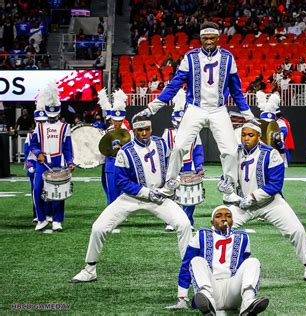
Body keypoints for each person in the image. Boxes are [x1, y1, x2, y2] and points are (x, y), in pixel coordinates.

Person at [136, 22, 256, 202]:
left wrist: (249, 116)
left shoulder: (228, 58)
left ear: (218, 38)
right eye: (205, 38)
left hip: (218, 109)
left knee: (231, 151)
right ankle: (170, 184)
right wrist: (151, 108)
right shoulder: (190, 57)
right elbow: (174, 85)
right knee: (178, 147)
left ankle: (229, 189)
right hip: (195, 108)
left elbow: (236, 91)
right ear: (200, 39)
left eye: (212, 38)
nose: (208, 41)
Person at [70, 116, 193, 283]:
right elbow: (121, 181)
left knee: (184, 224)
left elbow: (172, 166)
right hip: (131, 198)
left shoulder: (161, 144)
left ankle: (188, 270)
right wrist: (146, 193)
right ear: (133, 131)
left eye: (147, 129)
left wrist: (174, 180)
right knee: (98, 227)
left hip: (158, 197)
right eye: (139, 130)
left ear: (151, 129)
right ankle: (89, 270)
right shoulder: (125, 151)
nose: (144, 133)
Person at [222, 122, 306, 282]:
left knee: (297, 231)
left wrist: (252, 197)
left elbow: (275, 185)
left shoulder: (271, 154)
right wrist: (225, 185)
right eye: (244, 135)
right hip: (243, 204)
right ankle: (219, 269)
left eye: (250, 135)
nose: (246, 138)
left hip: (270, 203)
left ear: (259, 136)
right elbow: (228, 178)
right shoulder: (234, 153)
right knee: (219, 227)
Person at [167, 205, 269, 315]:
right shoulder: (201, 235)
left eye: (228, 216)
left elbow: (245, 269)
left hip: (233, 291)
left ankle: (248, 302)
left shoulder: (243, 237)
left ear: (232, 221)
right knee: (196, 261)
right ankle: (208, 303)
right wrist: (182, 297)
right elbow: (186, 265)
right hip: (212, 289)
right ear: (212, 221)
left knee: (253, 262)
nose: (224, 219)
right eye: (219, 216)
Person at [29, 83, 75, 232]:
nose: (52, 118)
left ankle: (57, 220)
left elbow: (67, 148)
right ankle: (41, 219)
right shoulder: (39, 127)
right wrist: (38, 154)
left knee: (58, 191)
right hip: (42, 162)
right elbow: (33, 145)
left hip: (58, 161)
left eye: (55, 116)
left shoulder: (65, 127)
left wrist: (69, 162)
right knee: (37, 190)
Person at [162, 88, 204, 231]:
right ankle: (171, 221)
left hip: (189, 168)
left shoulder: (194, 133)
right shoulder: (167, 133)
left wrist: (199, 167)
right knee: (171, 195)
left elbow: (198, 151)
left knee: (189, 196)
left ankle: (188, 221)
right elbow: (163, 154)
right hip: (172, 169)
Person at [98, 88, 131, 205]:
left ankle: (122, 213)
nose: (117, 123)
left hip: (124, 165)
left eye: (120, 120)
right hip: (111, 164)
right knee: (111, 191)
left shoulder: (128, 132)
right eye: (115, 120)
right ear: (111, 119)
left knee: (123, 192)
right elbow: (103, 149)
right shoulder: (107, 131)